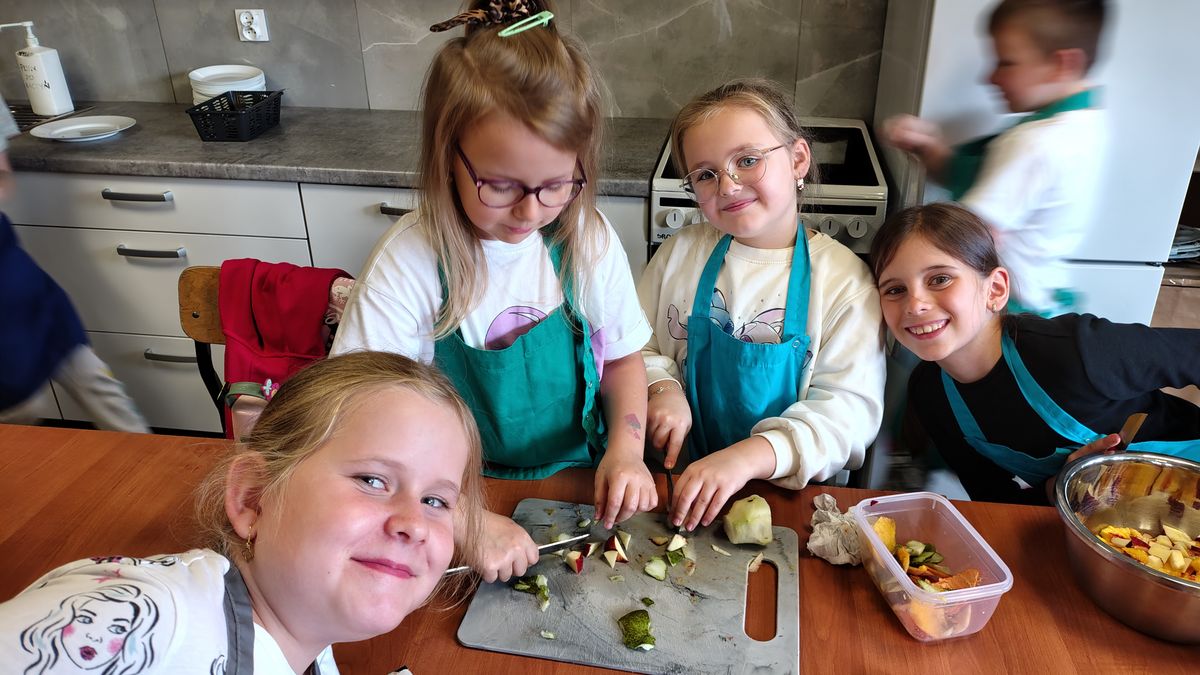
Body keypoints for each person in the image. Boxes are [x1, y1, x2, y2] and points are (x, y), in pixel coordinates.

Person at [331, 0, 656, 581]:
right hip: (445, 491)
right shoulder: (411, 260)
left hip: (578, 476)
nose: (530, 211)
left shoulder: (586, 237)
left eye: (556, 184)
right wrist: (460, 518)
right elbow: (361, 418)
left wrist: (627, 450)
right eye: (501, 186)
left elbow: (622, 360)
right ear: (447, 157)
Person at [0, 351, 486, 674]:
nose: (414, 524)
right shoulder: (140, 621)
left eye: (436, 501)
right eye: (372, 481)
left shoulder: (308, 646)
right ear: (254, 498)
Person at [639, 78, 886, 531]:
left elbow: (845, 417)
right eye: (706, 174)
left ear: (797, 159)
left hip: (788, 507)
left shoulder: (846, 284)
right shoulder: (680, 255)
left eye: (748, 160)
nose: (728, 186)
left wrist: (748, 457)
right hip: (675, 492)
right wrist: (660, 387)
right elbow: (633, 345)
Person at [870, 202, 1200, 505]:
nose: (915, 305)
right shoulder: (930, 393)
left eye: (940, 279)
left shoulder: (1073, 351)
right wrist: (1061, 485)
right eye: (895, 289)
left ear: (995, 289)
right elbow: (995, 501)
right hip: (1115, 525)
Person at [880, 0, 1109, 317]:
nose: (990, 77)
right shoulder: (1083, 123)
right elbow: (981, 179)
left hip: (1006, 312)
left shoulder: (1035, 143)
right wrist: (927, 148)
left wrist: (888, 275)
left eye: (1006, 63)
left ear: (1062, 64)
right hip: (1046, 301)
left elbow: (965, 236)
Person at [0, 93, 149, 433]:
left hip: (13, 276)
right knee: (20, 406)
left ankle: (146, 454)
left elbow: (2, 177)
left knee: (94, 380)